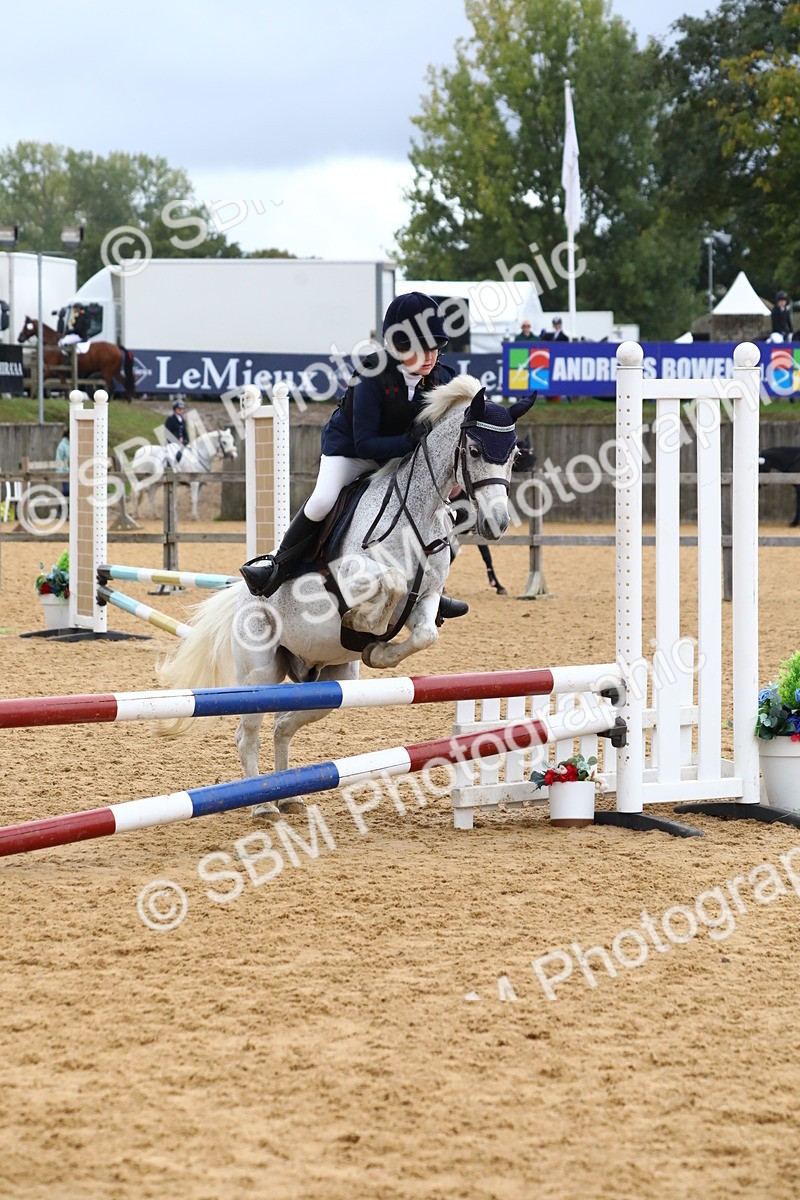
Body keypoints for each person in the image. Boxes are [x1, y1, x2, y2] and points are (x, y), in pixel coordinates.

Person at [240, 292, 468, 620]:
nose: (430, 357)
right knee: (323, 500)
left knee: (439, 508)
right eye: (421, 348)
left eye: (436, 348)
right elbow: (365, 444)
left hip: (403, 456)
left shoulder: (443, 378)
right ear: (399, 346)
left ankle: (432, 588)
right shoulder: (371, 374)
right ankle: (277, 566)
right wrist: (409, 441)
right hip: (351, 451)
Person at [55, 426, 70, 497]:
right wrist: (60, 475)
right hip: (66, 473)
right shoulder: (62, 446)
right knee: (67, 491)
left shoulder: (76, 443)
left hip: (76, 473)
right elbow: (59, 460)